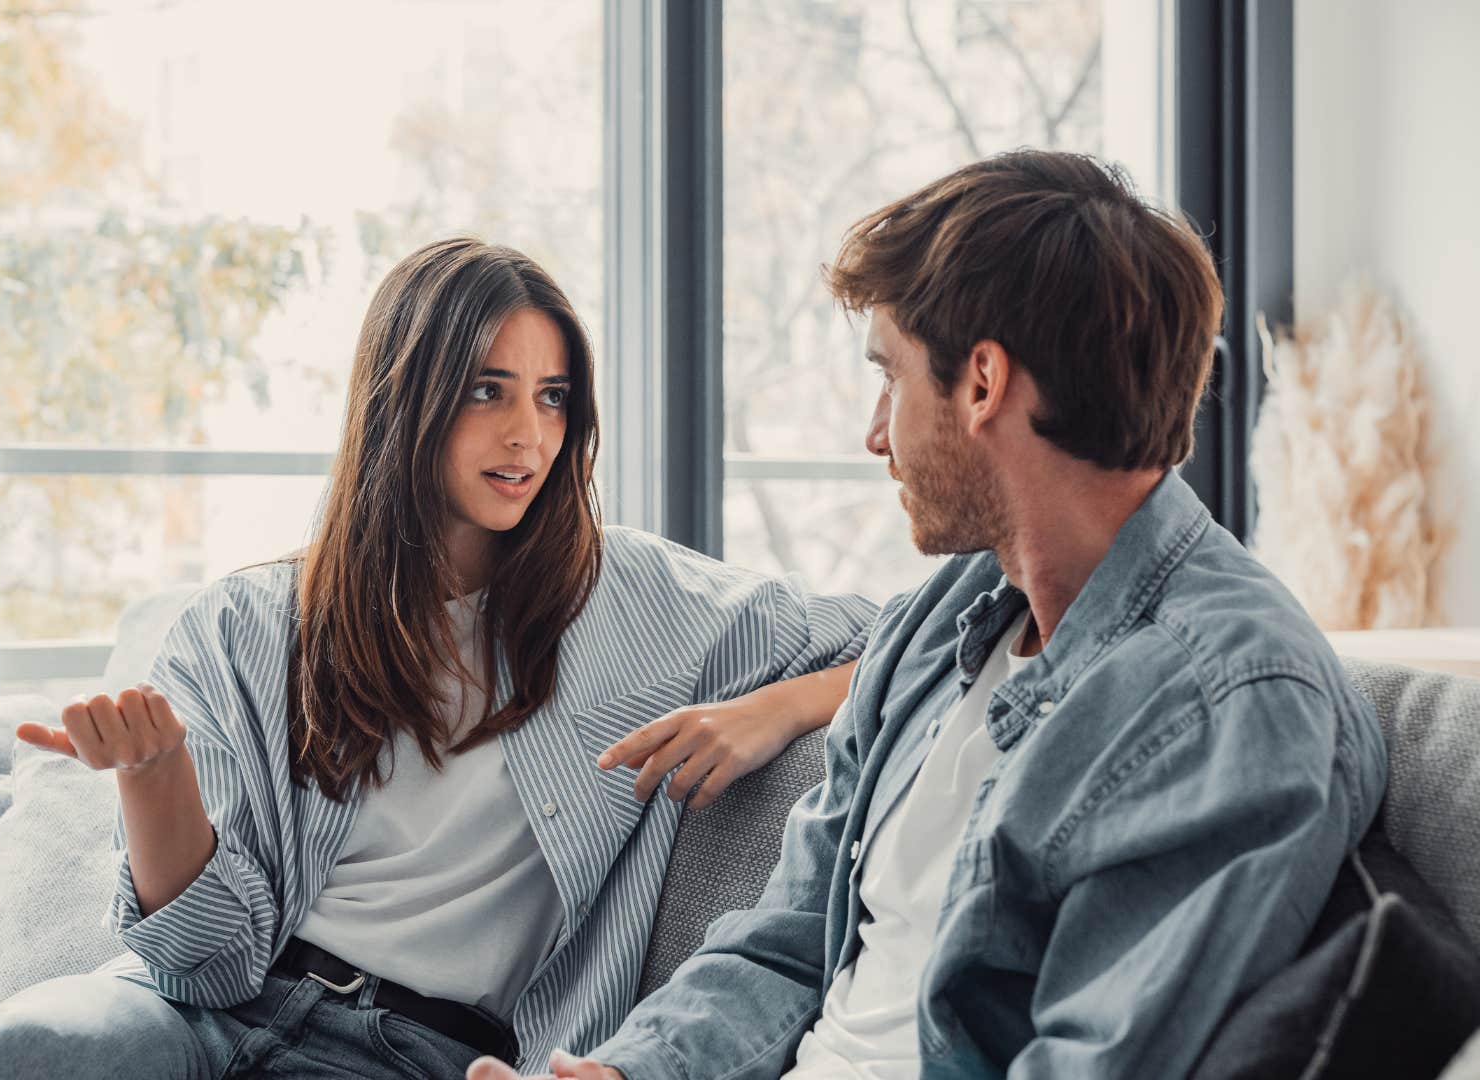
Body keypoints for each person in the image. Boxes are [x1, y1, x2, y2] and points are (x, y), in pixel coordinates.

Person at [469, 150, 1389, 1080]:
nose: (875, 433)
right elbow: (788, 942)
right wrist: (631, 1072)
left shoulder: (1233, 701)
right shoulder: (938, 624)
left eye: (891, 378)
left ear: (983, 384)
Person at [0, 239, 878, 1079]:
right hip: (201, 1020)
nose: (527, 435)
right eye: (487, 391)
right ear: (405, 396)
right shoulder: (248, 622)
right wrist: (157, 778)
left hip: (424, 1051)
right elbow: (207, 968)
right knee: (20, 1049)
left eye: (552, 398)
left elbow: (920, 633)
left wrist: (780, 708)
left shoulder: (646, 600)